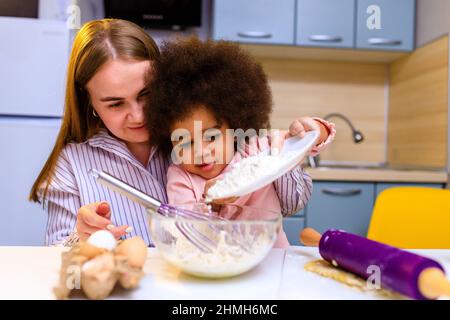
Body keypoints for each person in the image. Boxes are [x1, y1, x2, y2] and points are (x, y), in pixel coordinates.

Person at [29, 19, 334, 247]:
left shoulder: (211, 136)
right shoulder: (73, 163)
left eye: (146, 94)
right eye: (115, 104)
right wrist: (79, 238)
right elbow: (58, 255)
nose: (137, 115)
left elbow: (291, 201)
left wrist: (293, 148)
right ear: (91, 104)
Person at [147, 37, 336, 248]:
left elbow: (300, 145)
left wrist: (315, 130)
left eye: (211, 137)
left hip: (272, 262)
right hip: (215, 270)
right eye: (184, 142)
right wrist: (212, 204)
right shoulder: (181, 176)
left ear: (235, 124)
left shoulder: (258, 149)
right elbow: (187, 231)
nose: (200, 151)